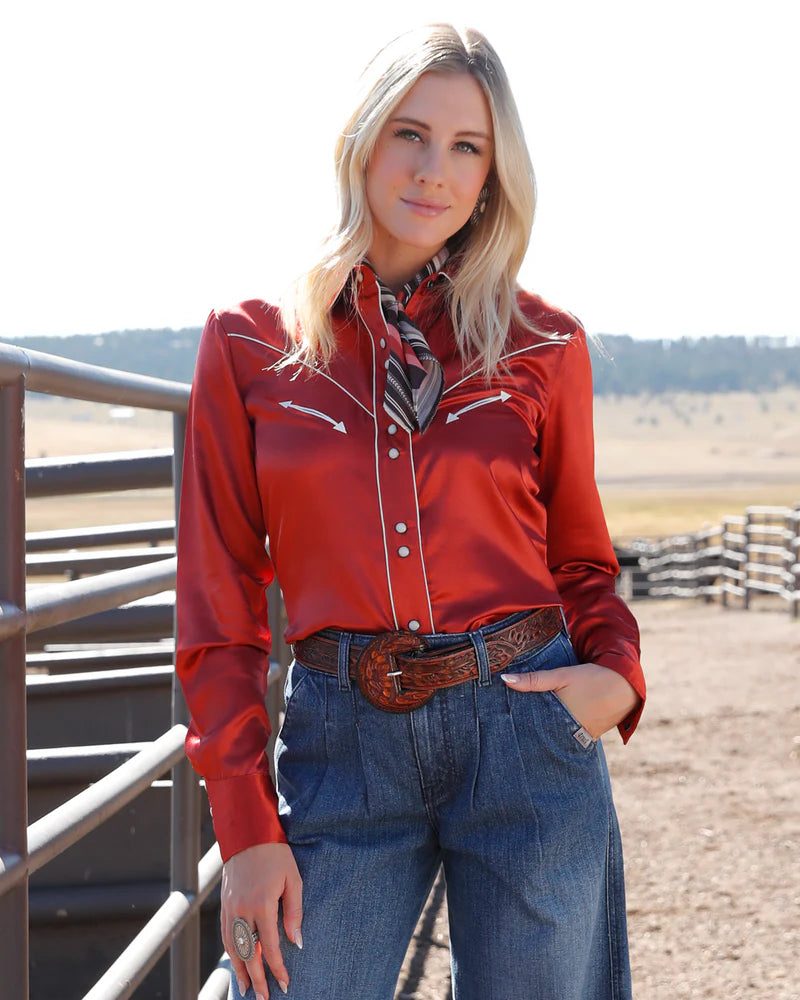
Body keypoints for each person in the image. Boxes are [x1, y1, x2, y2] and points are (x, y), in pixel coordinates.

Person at [176, 23, 645, 1000]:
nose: (434, 170)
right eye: (410, 133)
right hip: (342, 744)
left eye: (466, 146)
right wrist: (245, 827)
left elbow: (580, 558)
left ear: (492, 173)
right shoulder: (248, 345)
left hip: (524, 729)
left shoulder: (541, 345)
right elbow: (217, 609)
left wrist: (613, 679)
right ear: (361, 139)